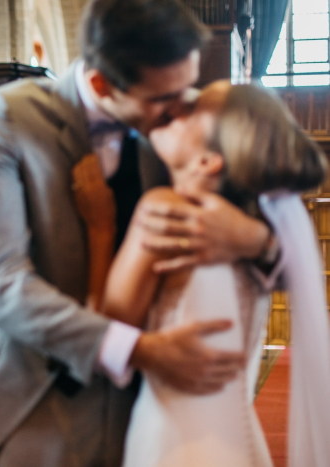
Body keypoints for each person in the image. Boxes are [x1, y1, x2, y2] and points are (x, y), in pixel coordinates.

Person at [0, 1, 282, 466]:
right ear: (100, 84)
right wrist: (139, 349)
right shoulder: (10, 117)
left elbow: (277, 246)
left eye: (186, 90)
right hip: (33, 412)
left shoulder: (174, 133)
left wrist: (252, 240)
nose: (181, 110)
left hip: (144, 422)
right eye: (162, 100)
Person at [79, 81, 330, 467]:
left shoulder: (163, 210)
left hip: (171, 446)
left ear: (207, 161)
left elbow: (103, 328)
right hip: (240, 446)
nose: (175, 106)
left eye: (191, 109)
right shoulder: (255, 228)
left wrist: (100, 227)